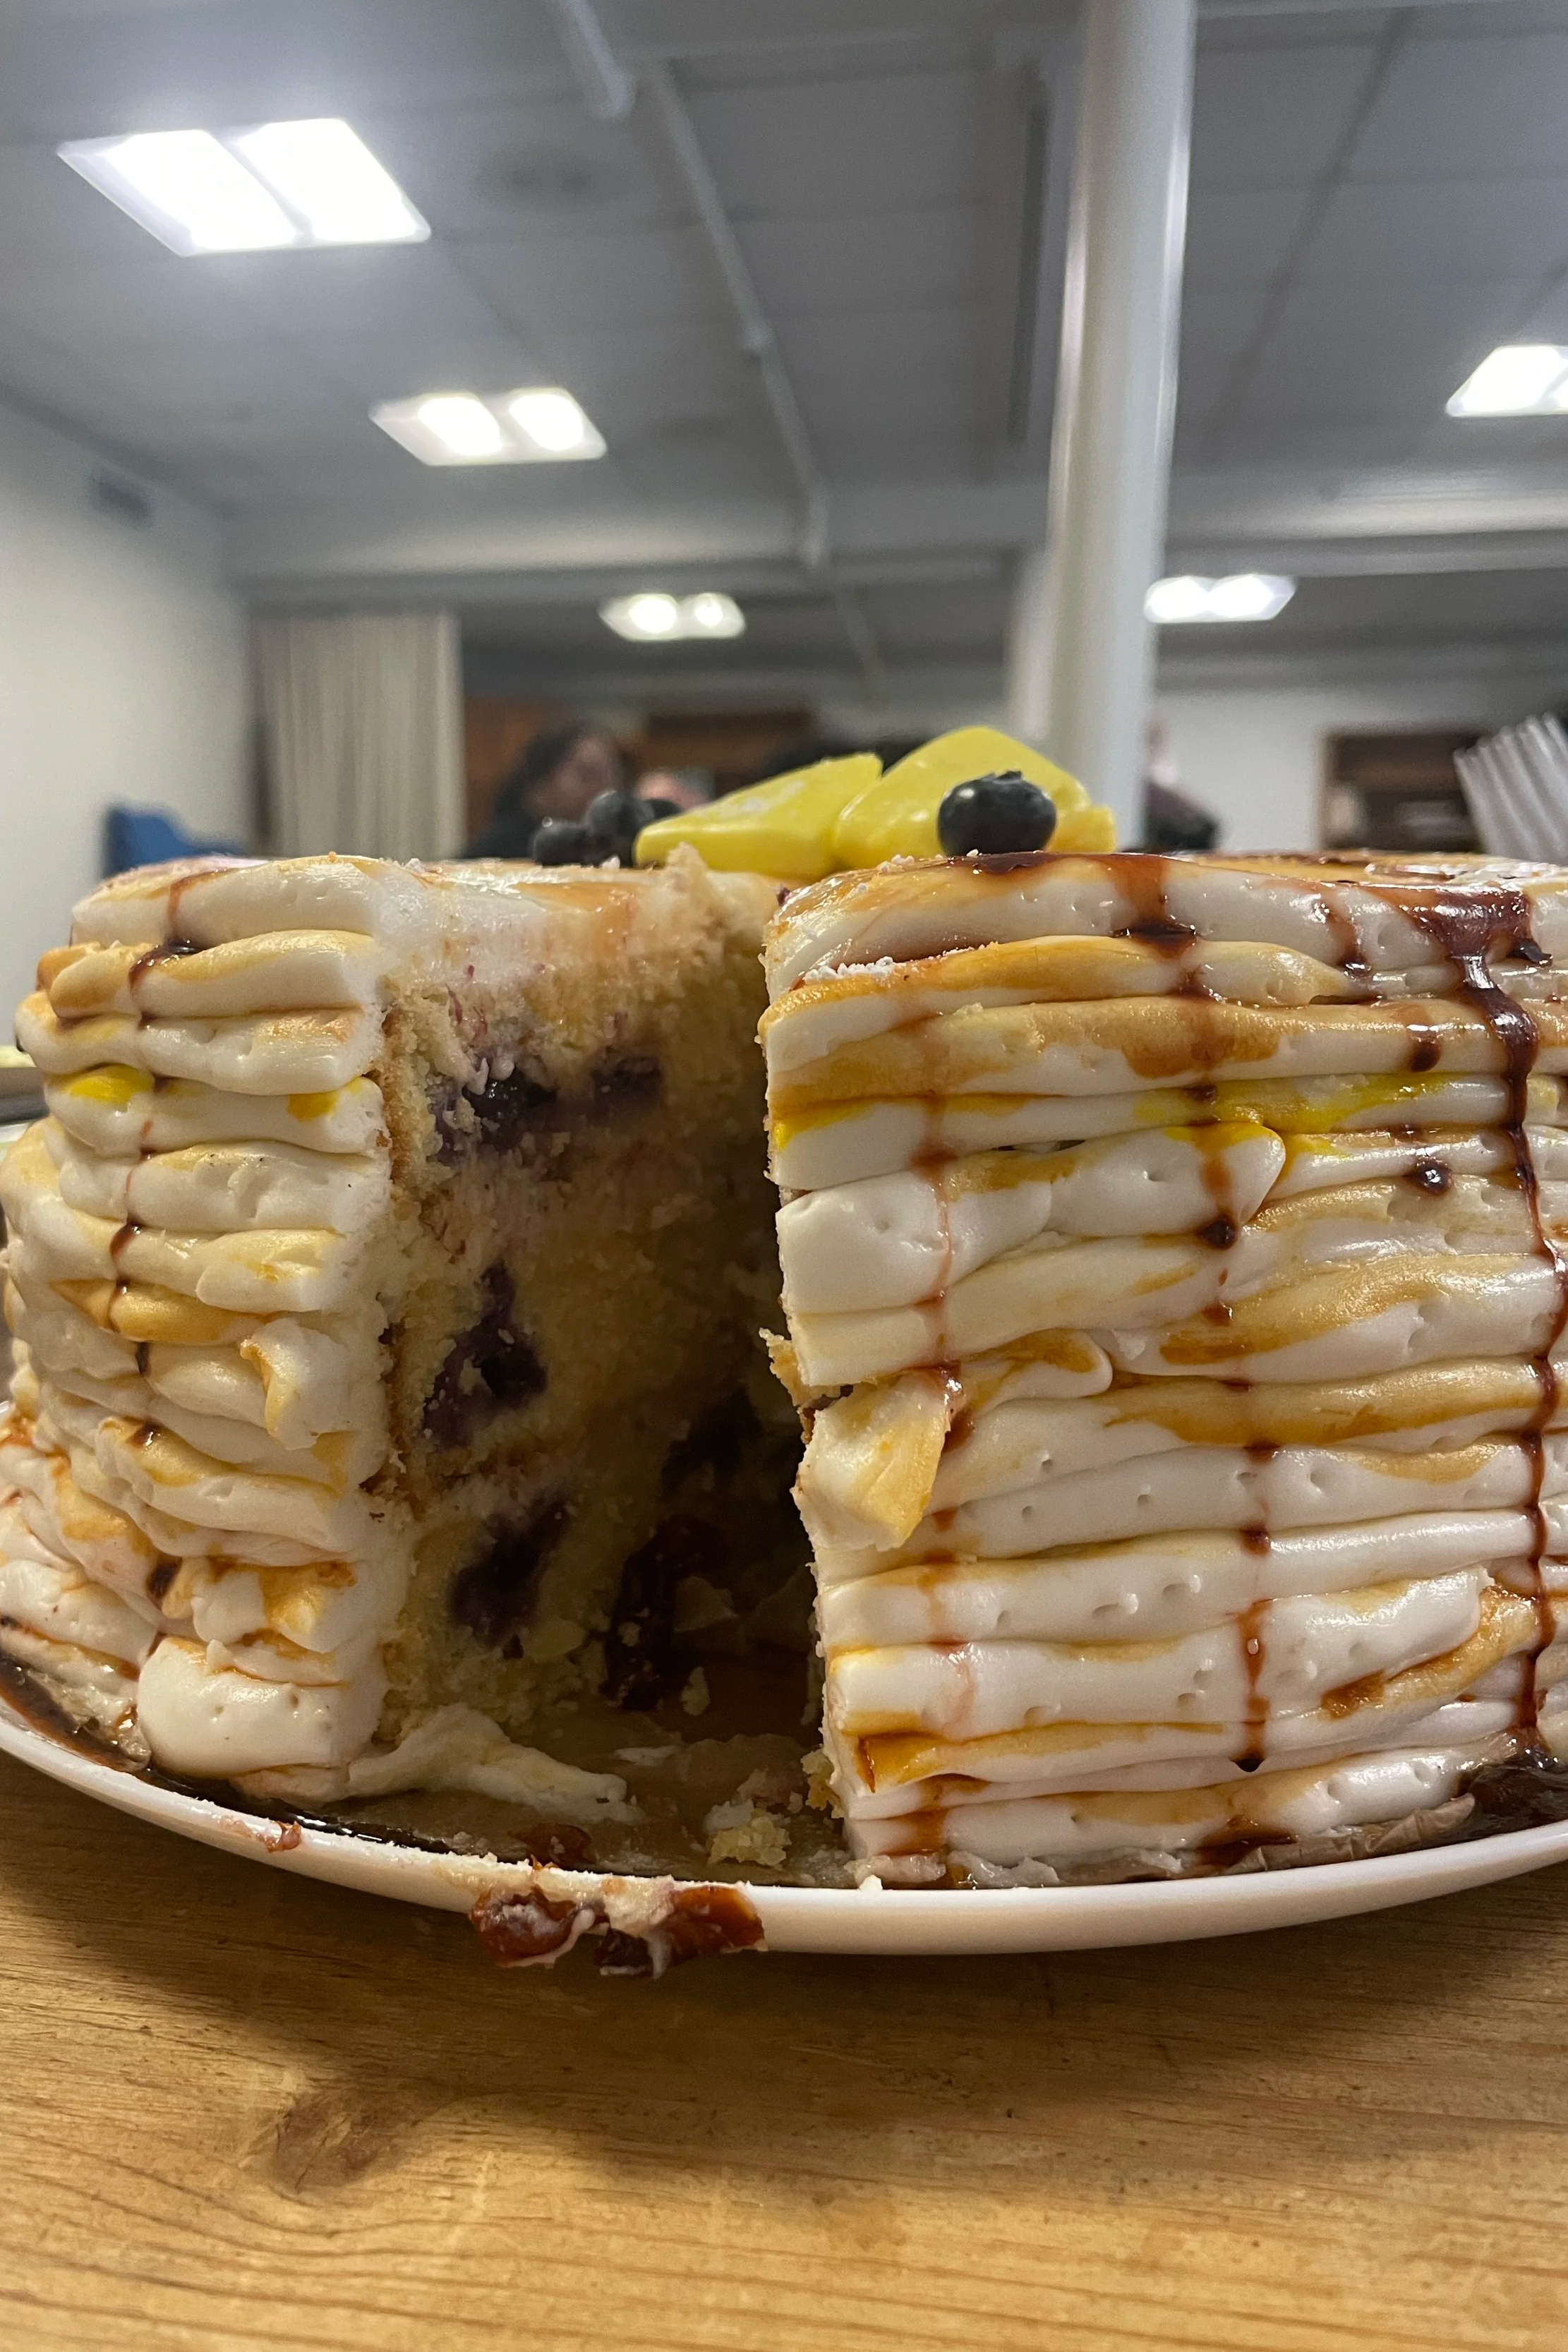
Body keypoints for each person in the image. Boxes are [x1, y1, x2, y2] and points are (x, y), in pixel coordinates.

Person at [464, 721, 625, 858]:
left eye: (613, 775)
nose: (607, 789)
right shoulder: (498, 851)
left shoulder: (616, 845)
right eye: (587, 775)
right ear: (541, 786)